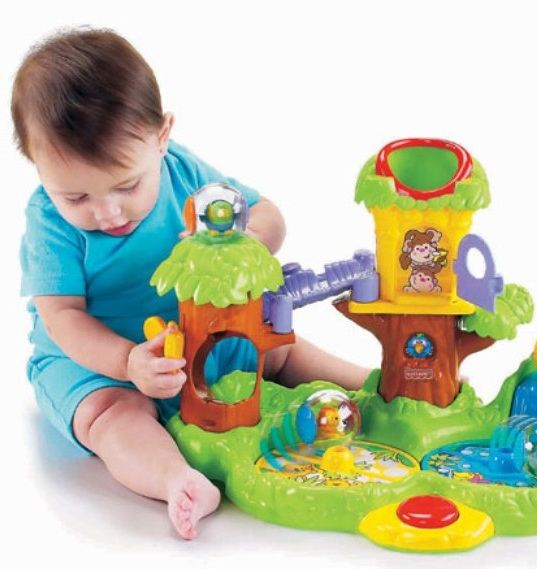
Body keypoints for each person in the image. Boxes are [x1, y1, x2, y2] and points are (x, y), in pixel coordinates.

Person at [13, 27, 370, 540]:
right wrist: (127, 363)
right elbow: (62, 317)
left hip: (206, 335)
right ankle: (175, 481)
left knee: (276, 347)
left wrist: (243, 241)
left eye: (126, 185)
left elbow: (268, 214)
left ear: (161, 138)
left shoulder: (184, 172)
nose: (107, 212)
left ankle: (372, 387)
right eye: (77, 198)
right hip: (97, 363)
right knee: (112, 417)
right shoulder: (49, 222)